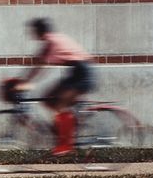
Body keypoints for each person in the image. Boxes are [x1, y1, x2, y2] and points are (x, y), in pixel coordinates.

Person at [14, 17, 96, 155]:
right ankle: (63, 131)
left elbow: (41, 66)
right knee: (48, 99)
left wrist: (26, 82)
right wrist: (24, 80)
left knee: (59, 104)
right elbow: (38, 61)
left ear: (39, 31)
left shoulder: (52, 41)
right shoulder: (51, 40)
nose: (32, 34)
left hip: (82, 73)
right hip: (75, 73)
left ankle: (65, 144)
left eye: (33, 31)